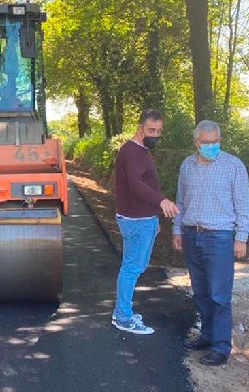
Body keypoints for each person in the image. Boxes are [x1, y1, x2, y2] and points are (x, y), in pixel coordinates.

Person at [172, 120, 249, 366]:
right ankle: (206, 336)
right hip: (192, 235)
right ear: (196, 142)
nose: (211, 146)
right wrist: (177, 229)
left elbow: (244, 203)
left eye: (215, 142)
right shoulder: (187, 165)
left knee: (219, 295)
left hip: (220, 238)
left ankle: (221, 347)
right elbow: (180, 201)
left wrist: (241, 237)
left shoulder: (233, 165)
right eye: (206, 142)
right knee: (201, 292)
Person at [112, 109, 179, 334]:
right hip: (136, 220)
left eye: (159, 131)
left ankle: (122, 312)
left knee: (134, 266)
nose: (155, 135)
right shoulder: (131, 151)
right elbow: (136, 185)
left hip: (144, 218)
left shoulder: (141, 150)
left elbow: (144, 185)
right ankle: (123, 317)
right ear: (140, 127)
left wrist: (154, 216)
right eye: (151, 130)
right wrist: (162, 202)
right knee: (132, 267)